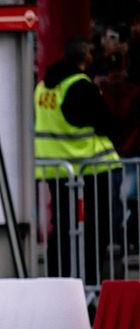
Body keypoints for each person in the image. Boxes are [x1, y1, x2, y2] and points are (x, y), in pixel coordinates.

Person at [34, 38, 121, 284]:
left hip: (56, 168)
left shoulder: (43, 87)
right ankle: (91, 282)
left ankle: (56, 282)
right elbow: (106, 123)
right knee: (97, 228)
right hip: (92, 166)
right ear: (87, 58)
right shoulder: (81, 85)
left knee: (60, 229)